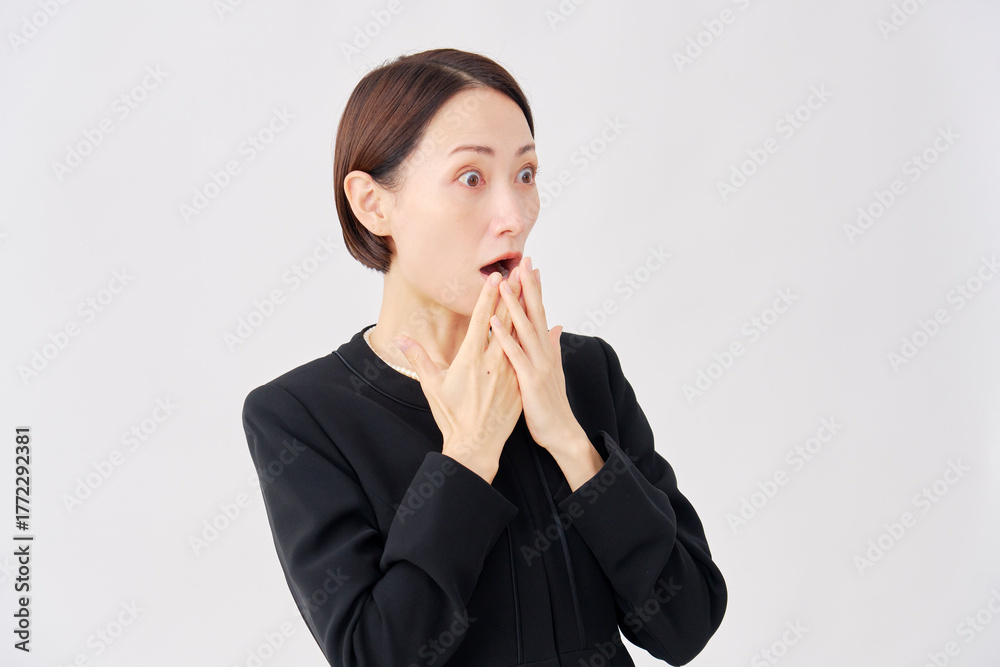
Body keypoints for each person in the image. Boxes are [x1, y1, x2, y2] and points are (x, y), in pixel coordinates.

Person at [242, 47, 727, 667]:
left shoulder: (584, 373)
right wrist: (468, 457)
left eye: (525, 174)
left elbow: (687, 626)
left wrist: (571, 443)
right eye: (471, 178)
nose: (514, 216)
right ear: (373, 204)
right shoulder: (302, 416)